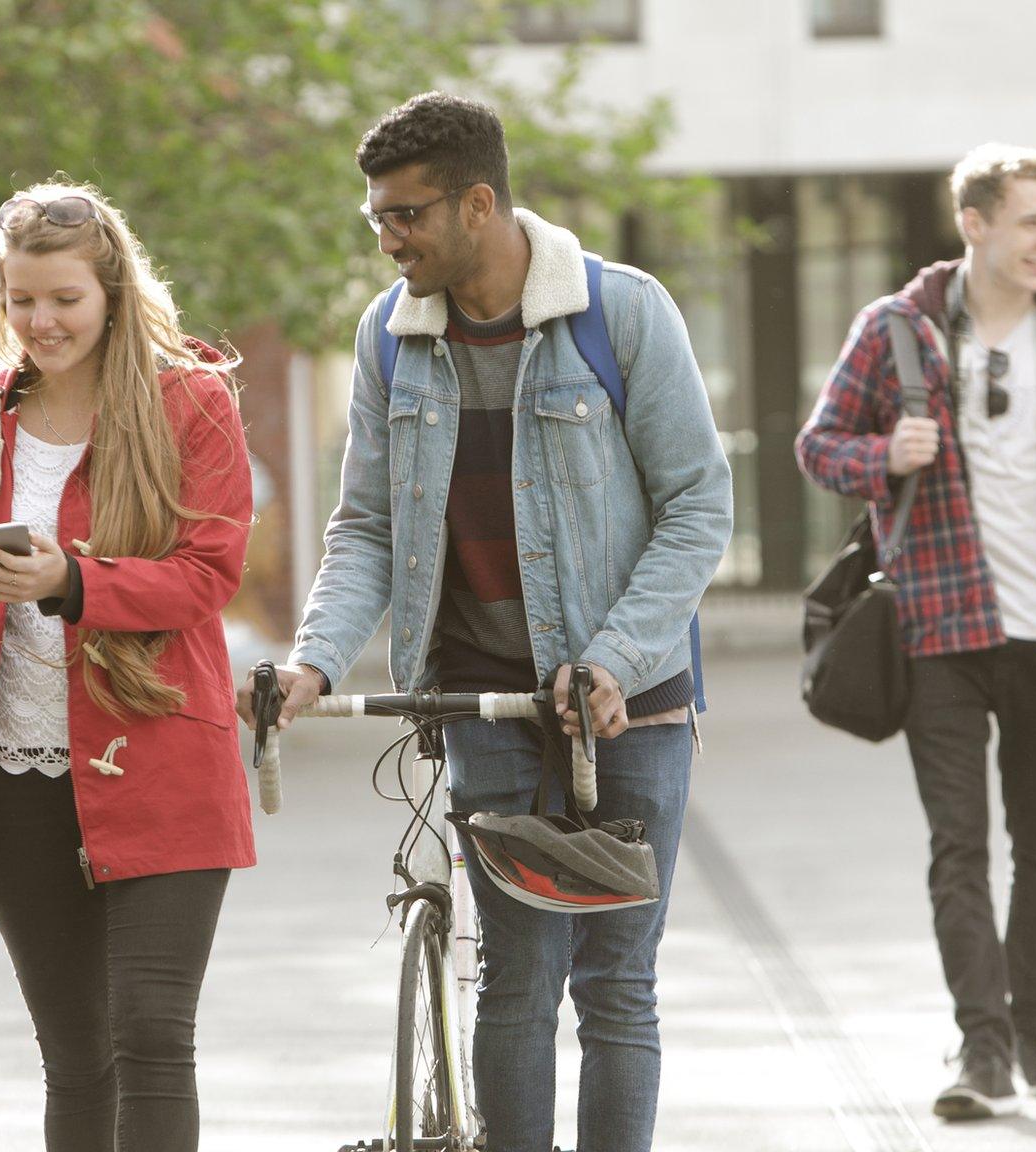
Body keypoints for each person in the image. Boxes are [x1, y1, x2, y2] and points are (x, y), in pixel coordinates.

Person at [246, 92, 733, 1152]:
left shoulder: (622, 313)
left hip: (629, 708)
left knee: (614, 986)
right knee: (514, 981)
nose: (388, 239)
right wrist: (313, 665)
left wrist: (610, 658)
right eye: (374, 217)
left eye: (406, 215)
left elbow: (700, 507)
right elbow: (365, 526)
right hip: (484, 699)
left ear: (477, 204)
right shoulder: (390, 335)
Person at [796, 143, 1036, 1119]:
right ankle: (981, 1047)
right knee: (957, 848)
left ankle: (1032, 1021)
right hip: (941, 626)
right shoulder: (895, 331)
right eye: (1027, 221)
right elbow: (817, 445)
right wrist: (883, 453)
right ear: (973, 222)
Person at [0, 181, 252, 1152]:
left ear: (111, 291)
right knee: (73, 1053)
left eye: (63, 299)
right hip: (11, 780)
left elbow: (207, 573)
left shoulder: (194, 401)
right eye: (20, 300)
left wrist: (74, 584)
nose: (40, 321)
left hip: (164, 763)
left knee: (149, 1034)